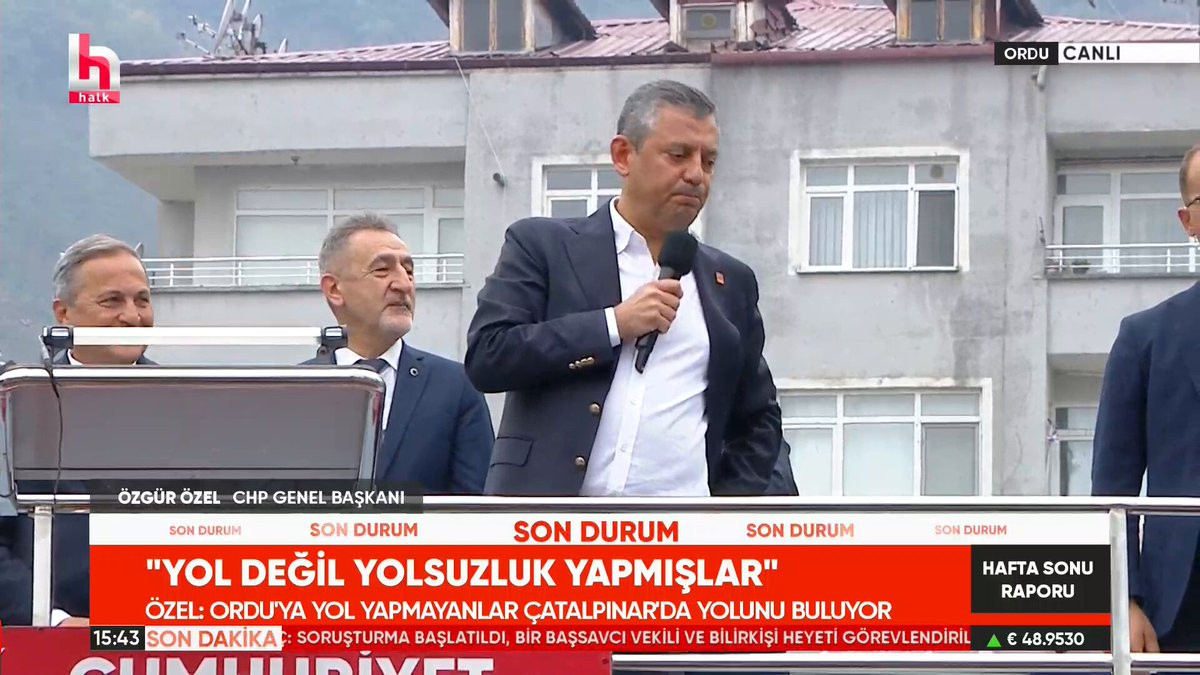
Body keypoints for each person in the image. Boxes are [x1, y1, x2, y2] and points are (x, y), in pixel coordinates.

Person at [464, 79, 782, 500]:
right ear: (623, 155)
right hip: (552, 523)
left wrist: (726, 508)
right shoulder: (543, 246)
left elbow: (758, 418)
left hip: (681, 529)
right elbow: (488, 356)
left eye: (708, 161)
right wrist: (612, 324)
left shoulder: (731, 281)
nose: (696, 174)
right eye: (678, 155)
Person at [0, 234, 155, 626]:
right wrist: (51, 619)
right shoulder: (19, 399)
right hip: (47, 637)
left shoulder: (195, 403)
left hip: (165, 634)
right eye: (112, 301)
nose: (132, 316)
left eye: (142, 300)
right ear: (63, 313)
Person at [1093, 142, 1200, 653]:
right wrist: (1125, 599)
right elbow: (1111, 488)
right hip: (1180, 603)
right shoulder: (1145, 339)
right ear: (1188, 222)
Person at [305, 214, 493, 494]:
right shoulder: (294, 390)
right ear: (334, 289)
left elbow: (477, 506)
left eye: (409, 272)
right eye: (382, 270)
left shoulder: (456, 387)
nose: (404, 285)